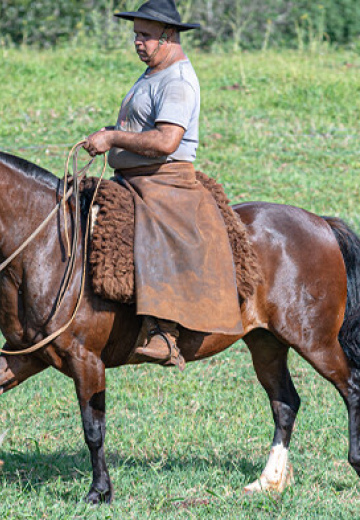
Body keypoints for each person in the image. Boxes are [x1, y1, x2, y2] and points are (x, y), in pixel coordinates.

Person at [83, 0, 243, 370]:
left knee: (154, 228)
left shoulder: (179, 81)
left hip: (164, 181)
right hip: (134, 176)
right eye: (136, 35)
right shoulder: (154, 72)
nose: (137, 42)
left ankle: (165, 333)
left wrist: (113, 139)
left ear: (168, 36)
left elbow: (166, 141)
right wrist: (112, 134)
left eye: (146, 36)